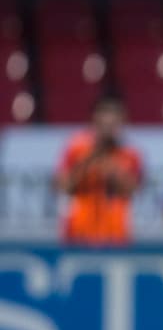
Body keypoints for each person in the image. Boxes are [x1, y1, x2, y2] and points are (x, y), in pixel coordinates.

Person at [53, 95, 143, 245]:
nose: (108, 126)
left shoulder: (130, 154)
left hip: (116, 235)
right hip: (78, 233)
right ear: (94, 120)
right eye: (104, 120)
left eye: (114, 121)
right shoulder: (76, 148)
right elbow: (64, 186)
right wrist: (88, 161)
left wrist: (111, 167)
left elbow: (132, 190)